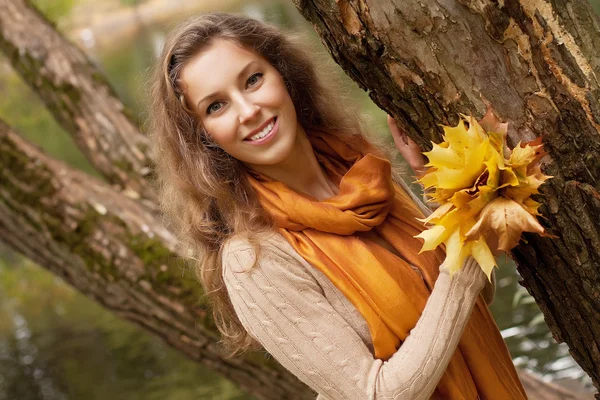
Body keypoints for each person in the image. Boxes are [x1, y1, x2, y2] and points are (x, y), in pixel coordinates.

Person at [148, 12, 527, 399]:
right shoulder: (254, 260)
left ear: (283, 75)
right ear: (203, 137)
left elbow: (474, 299)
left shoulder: (363, 176)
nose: (248, 111)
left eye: (253, 80)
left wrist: (441, 188)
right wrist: (463, 251)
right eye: (216, 106)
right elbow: (376, 394)